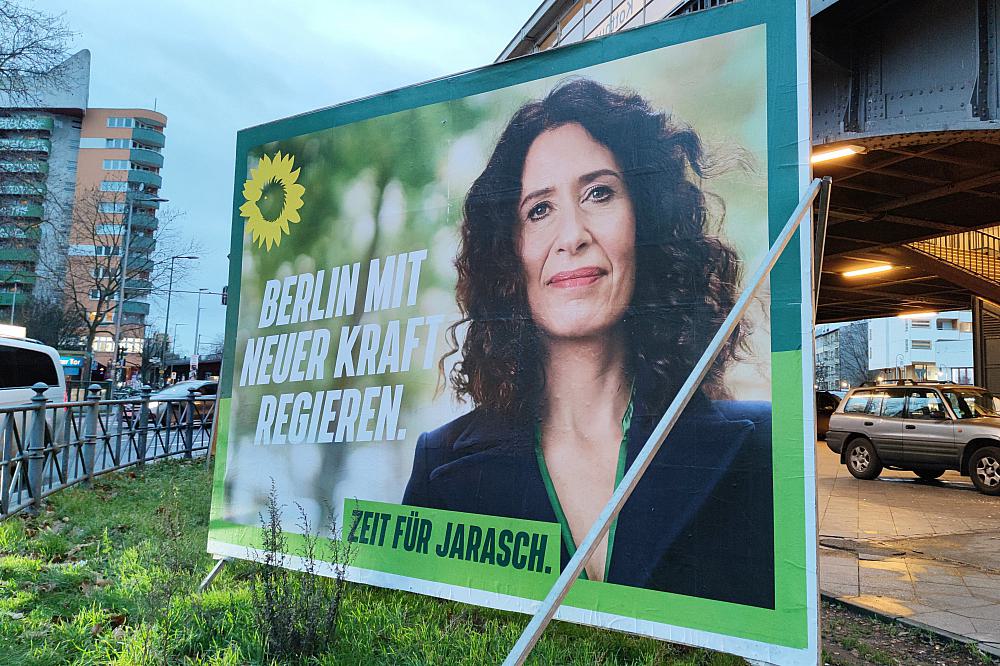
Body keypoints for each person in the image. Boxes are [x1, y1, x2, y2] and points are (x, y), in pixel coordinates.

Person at [403, 79, 774, 608]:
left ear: (646, 220)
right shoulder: (439, 462)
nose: (572, 235)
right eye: (539, 210)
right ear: (509, 253)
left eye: (598, 193)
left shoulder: (760, 447)